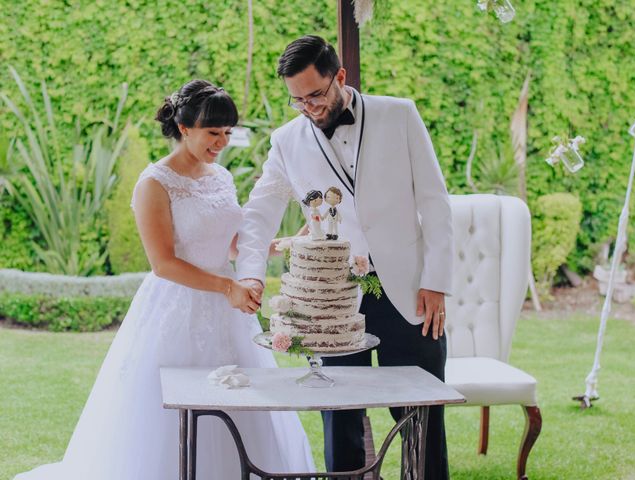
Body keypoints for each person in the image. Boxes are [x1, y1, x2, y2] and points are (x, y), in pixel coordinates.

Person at [14, 80, 314, 480]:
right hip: (178, 310)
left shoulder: (221, 177)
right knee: (173, 415)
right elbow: (163, 263)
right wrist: (228, 287)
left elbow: (231, 246)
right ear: (185, 127)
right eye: (213, 132)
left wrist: (287, 244)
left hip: (230, 313)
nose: (222, 141)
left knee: (241, 403)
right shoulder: (154, 183)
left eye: (227, 132)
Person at [236, 36, 453, 479]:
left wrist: (436, 280)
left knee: (421, 417)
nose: (309, 108)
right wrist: (251, 275)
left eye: (316, 95)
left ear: (340, 76)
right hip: (332, 300)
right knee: (340, 420)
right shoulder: (286, 141)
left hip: (408, 292)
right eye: (297, 101)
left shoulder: (399, 114)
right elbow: (258, 215)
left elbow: (435, 201)